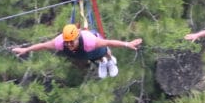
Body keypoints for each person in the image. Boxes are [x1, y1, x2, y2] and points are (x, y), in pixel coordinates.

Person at [12, 23, 143, 78]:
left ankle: (109, 62)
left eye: (71, 41)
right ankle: (102, 63)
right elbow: (43, 46)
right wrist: (26, 49)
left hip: (92, 46)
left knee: (104, 51)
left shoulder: (89, 41)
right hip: (84, 54)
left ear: (77, 37)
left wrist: (127, 44)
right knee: (93, 57)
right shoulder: (59, 42)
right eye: (67, 42)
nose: (68, 44)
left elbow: (109, 42)